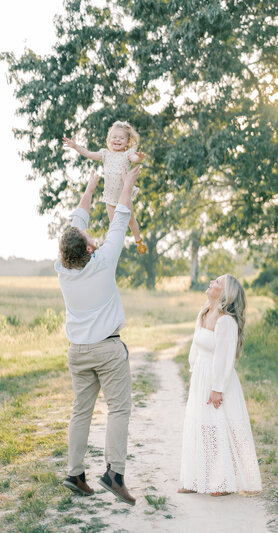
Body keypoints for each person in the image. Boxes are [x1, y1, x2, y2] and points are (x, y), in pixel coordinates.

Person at [55, 165, 142, 506]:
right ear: (90, 248)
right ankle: (114, 475)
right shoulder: (104, 259)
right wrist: (128, 183)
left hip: (78, 351)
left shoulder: (62, 269)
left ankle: (74, 474)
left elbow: (77, 226)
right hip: (107, 350)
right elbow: (120, 217)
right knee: (119, 409)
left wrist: (91, 188)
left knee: (81, 411)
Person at [179, 274, 262, 496]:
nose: (211, 282)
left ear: (226, 293)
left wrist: (217, 388)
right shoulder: (204, 313)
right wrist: (192, 373)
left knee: (217, 428)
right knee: (199, 425)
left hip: (218, 381)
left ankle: (224, 481)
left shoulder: (226, 321)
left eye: (217, 282)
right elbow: (196, 348)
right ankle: (196, 479)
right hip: (201, 376)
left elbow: (225, 358)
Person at [63, 120, 147, 254]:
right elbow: (89, 153)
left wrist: (140, 158)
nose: (117, 140)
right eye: (114, 137)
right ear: (109, 139)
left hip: (123, 196)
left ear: (128, 140)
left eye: (121, 138)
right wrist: (75, 146)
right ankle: (116, 247)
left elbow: (135, 158)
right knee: (114, 225)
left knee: (131, 220)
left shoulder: (127, 154)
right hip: (110, 196)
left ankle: (138, 240)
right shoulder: (105, 154)